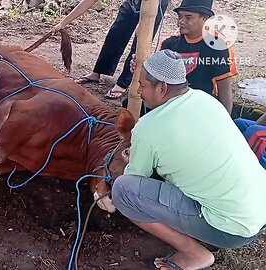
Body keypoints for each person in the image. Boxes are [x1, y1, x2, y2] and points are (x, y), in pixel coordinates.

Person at [107, 50, 266, 270]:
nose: (137, 90)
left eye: (142, 85)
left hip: (230, 230)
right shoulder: (205, 100)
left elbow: (135, 179)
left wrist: (127, 161)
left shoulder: (148, 127)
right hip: (258, 212)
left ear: (161, 88)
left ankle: (194, 254)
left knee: (124, 190)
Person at [126, 0, 237, 115]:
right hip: (168, 104)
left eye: (188, 17)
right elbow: (155, 76)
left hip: (199, 108)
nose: (181, 21)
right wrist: (142, 66)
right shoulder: (169, 43)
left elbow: (224, 89)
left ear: (204, 19)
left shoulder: (219, 46)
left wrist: (225, 119)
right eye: (179, 16)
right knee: (128, 107)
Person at [52, 0, 168, 99]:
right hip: (133, 2)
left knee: (140, 42)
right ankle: (98, 71)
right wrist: (63, 23)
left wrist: (144, 23)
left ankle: (123, 83)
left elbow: (146, 22)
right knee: (116, 33)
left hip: (155, 4)